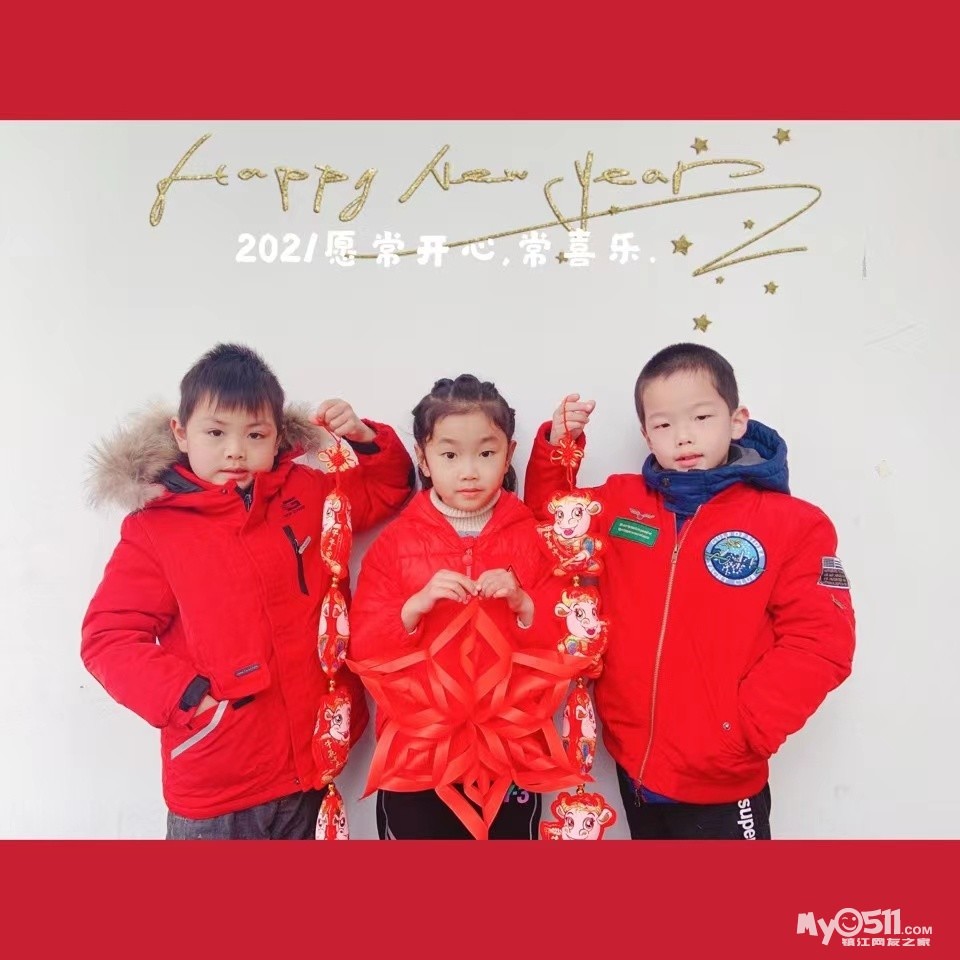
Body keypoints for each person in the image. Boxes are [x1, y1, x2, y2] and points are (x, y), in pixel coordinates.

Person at [523, 342, 856, 839]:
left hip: (722, 778)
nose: (683, 436)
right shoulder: (621, 502)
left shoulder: (794, 524)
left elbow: (821, 642)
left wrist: (742, 731)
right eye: (663, 425)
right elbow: (554, 521)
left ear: (737, 421)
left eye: (701, 417)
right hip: (634, 761)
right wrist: (558, 447)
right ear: (645, 434)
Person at [81, 343, 414, 839]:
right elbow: (109, 638)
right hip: (219, 781)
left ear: (278, 436)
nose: (235, 450)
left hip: (311, 764)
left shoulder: (306, 493)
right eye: (216, 433)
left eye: (255, 434)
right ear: (181, 432)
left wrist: (365, 440)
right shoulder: (156, 529)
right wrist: (188, 697)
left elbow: (385, 492)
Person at [350, 374, 582, 840]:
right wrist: (414, 607)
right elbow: (363, 647)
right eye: (450, 455)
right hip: (419, 753)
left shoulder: (532, 539)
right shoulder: (396, 544)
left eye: (486, 453)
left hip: (508, 751)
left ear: (509, 455)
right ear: (424, 458)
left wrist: (523, 603)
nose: (470, 471)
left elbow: (569, 636)